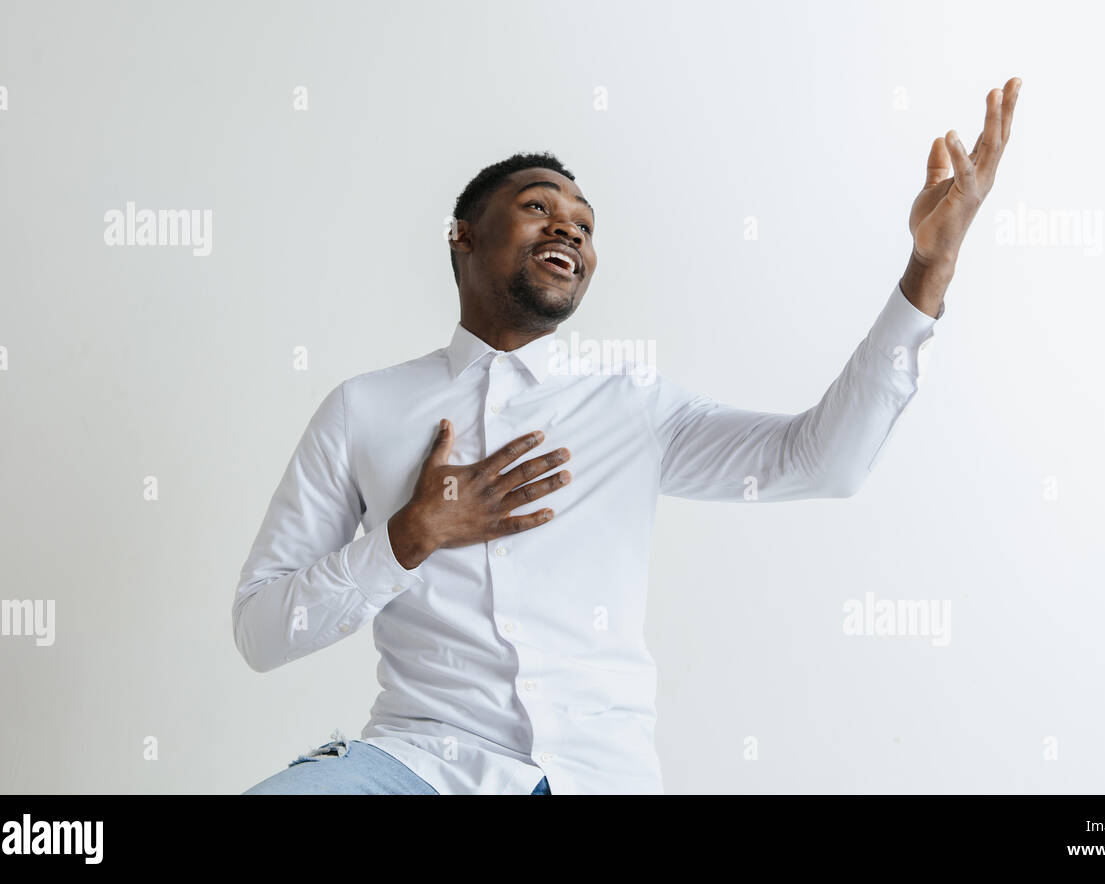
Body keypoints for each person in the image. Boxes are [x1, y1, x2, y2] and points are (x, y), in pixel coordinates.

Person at [236, 77, 1022, 794]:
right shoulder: (364, 408)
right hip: (418, 765)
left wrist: (930, 266)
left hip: (596, 774)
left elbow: (823, 463)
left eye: (584, 224)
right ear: (463, 236)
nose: (569, 230)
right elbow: (263, 631)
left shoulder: (633, 403)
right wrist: (405, 539)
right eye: (540, 207)